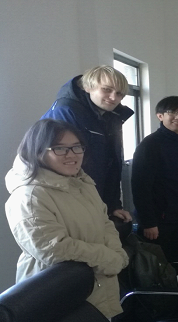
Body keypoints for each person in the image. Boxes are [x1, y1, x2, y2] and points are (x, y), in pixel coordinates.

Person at [5, 119, 129, 319]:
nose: (71, 155)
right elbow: (53, 249)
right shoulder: (29, 196)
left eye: (76, 147)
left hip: (97, 283)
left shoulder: (82, 182)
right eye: (60, 148)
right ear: (37, 152)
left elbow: (104, 222)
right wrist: (108, 258)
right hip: (57, 292)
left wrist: (116, 253)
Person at [41, 65, 134, 222]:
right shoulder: (65, 112)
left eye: (119, 93)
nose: (113, 98)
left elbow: (111, 165)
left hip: (96, 203)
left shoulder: (111, 116)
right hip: (71, 205)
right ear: (87, 87)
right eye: (106, 89)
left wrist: (112, 206)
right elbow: (63, 169)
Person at [131, 96, 178, 274]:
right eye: (172, 112)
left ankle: (172, 291)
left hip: (176, 219)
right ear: (160, 116)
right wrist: (148, 223)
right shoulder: (150, 145)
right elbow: (140, 187)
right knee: (157, 272)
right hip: (157, 222)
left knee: (174, 265)